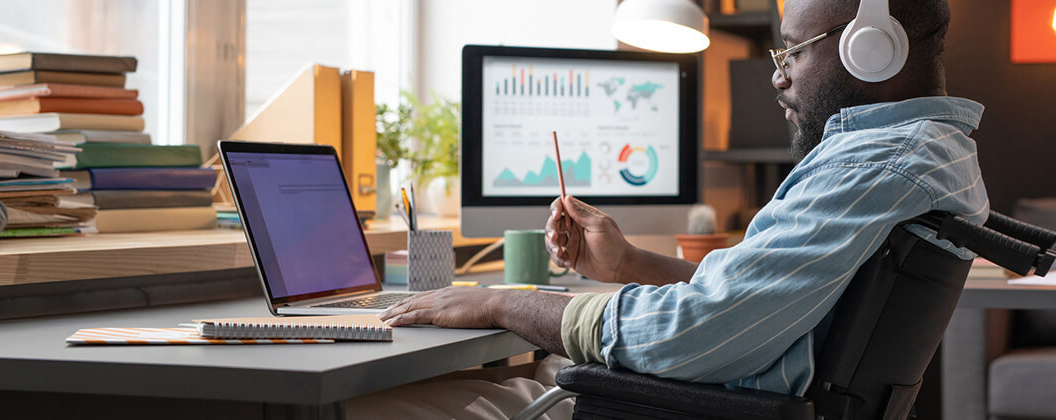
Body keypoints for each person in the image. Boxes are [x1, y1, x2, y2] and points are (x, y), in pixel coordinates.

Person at [349, 0, 986, 417]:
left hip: (687, 404)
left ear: (870, 47)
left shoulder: (877, 164)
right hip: (702, 397)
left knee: (369, 405)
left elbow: (700, 332)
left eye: (793, 50)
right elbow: (761, 301)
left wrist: (502, 301)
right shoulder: (926, 154)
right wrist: (629, 263)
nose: (778, 76)